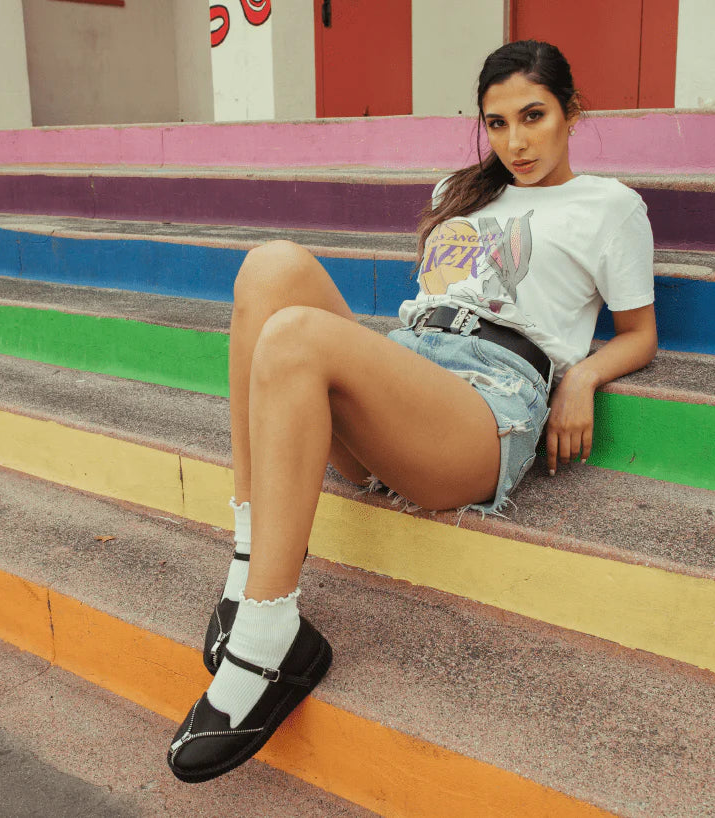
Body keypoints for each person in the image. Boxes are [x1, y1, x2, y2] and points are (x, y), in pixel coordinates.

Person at [167, 39, 657, 783]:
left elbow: (640, 334)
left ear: (571, 113)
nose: (516, 143)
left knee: (295, 335)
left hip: (487, 404)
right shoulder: (457, 191)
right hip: (413, 369)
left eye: (533, 117)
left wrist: (583, 376)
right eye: (497, 123)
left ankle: (268, 639)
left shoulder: (611, 207)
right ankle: (248, 561)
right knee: (271, 266)